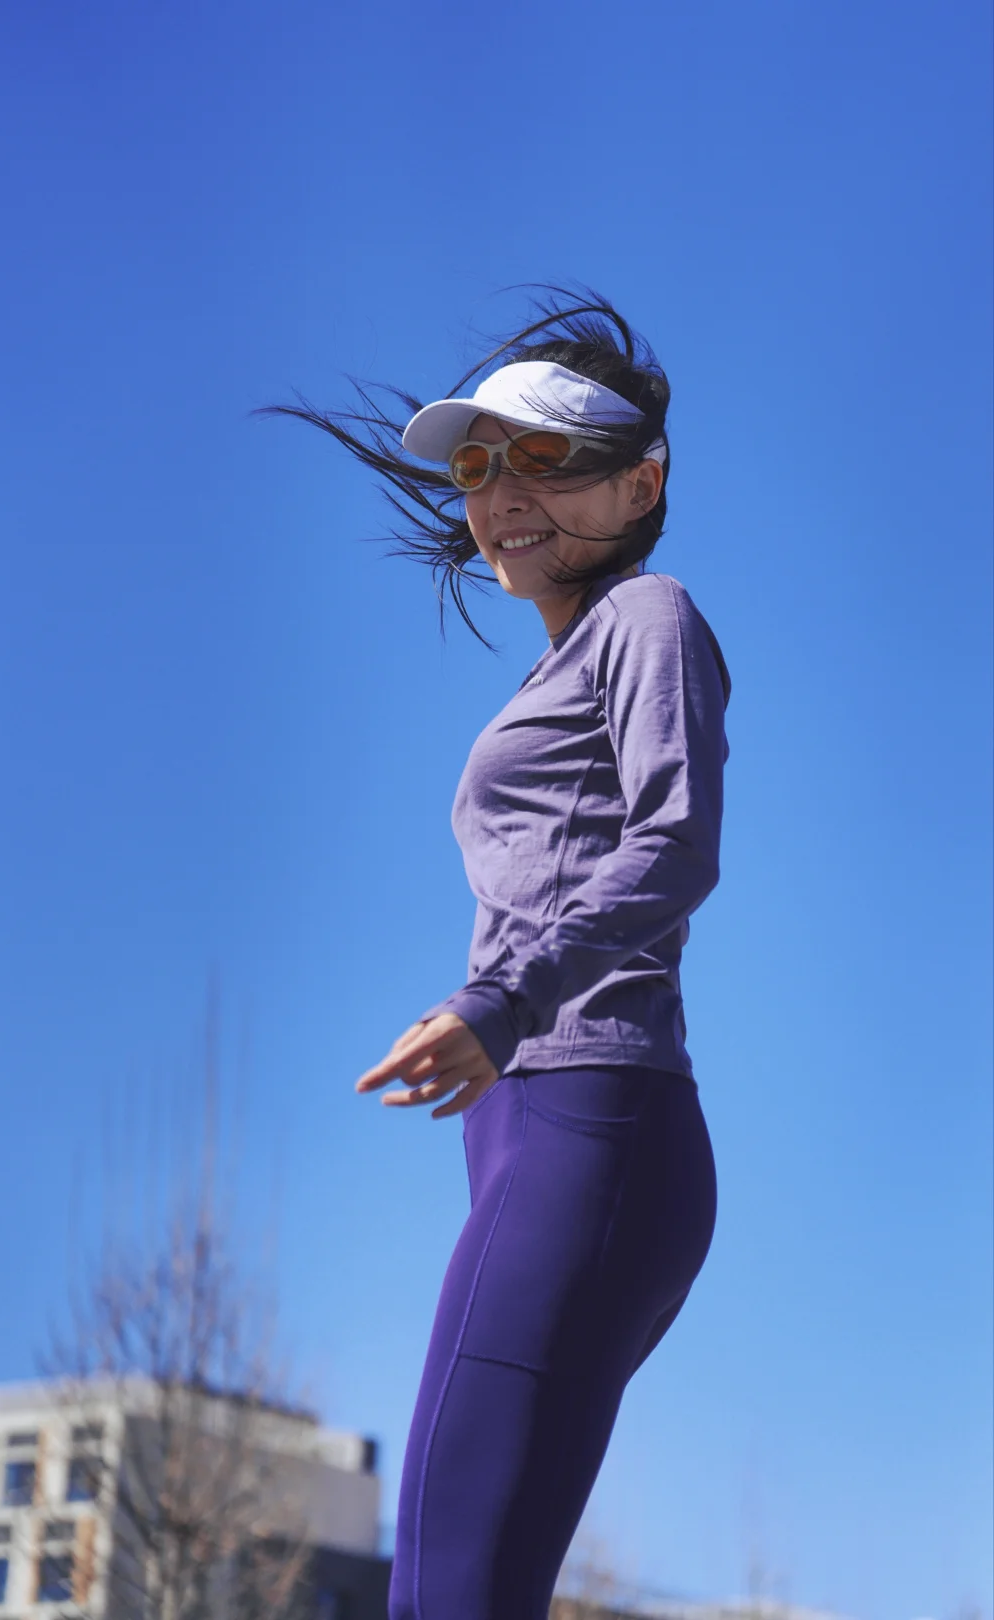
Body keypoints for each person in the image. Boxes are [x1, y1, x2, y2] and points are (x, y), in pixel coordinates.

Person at [264, 288, 731, 1620]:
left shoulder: (649, 617)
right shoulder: (564, 663)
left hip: (591, 1114)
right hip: (535, 1127)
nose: (500, 493)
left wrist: (504, 1000)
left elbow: (677, 844)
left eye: (542, 455)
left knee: (450, 1588)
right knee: (450, 1586)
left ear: (641, 482)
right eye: (477, 465)